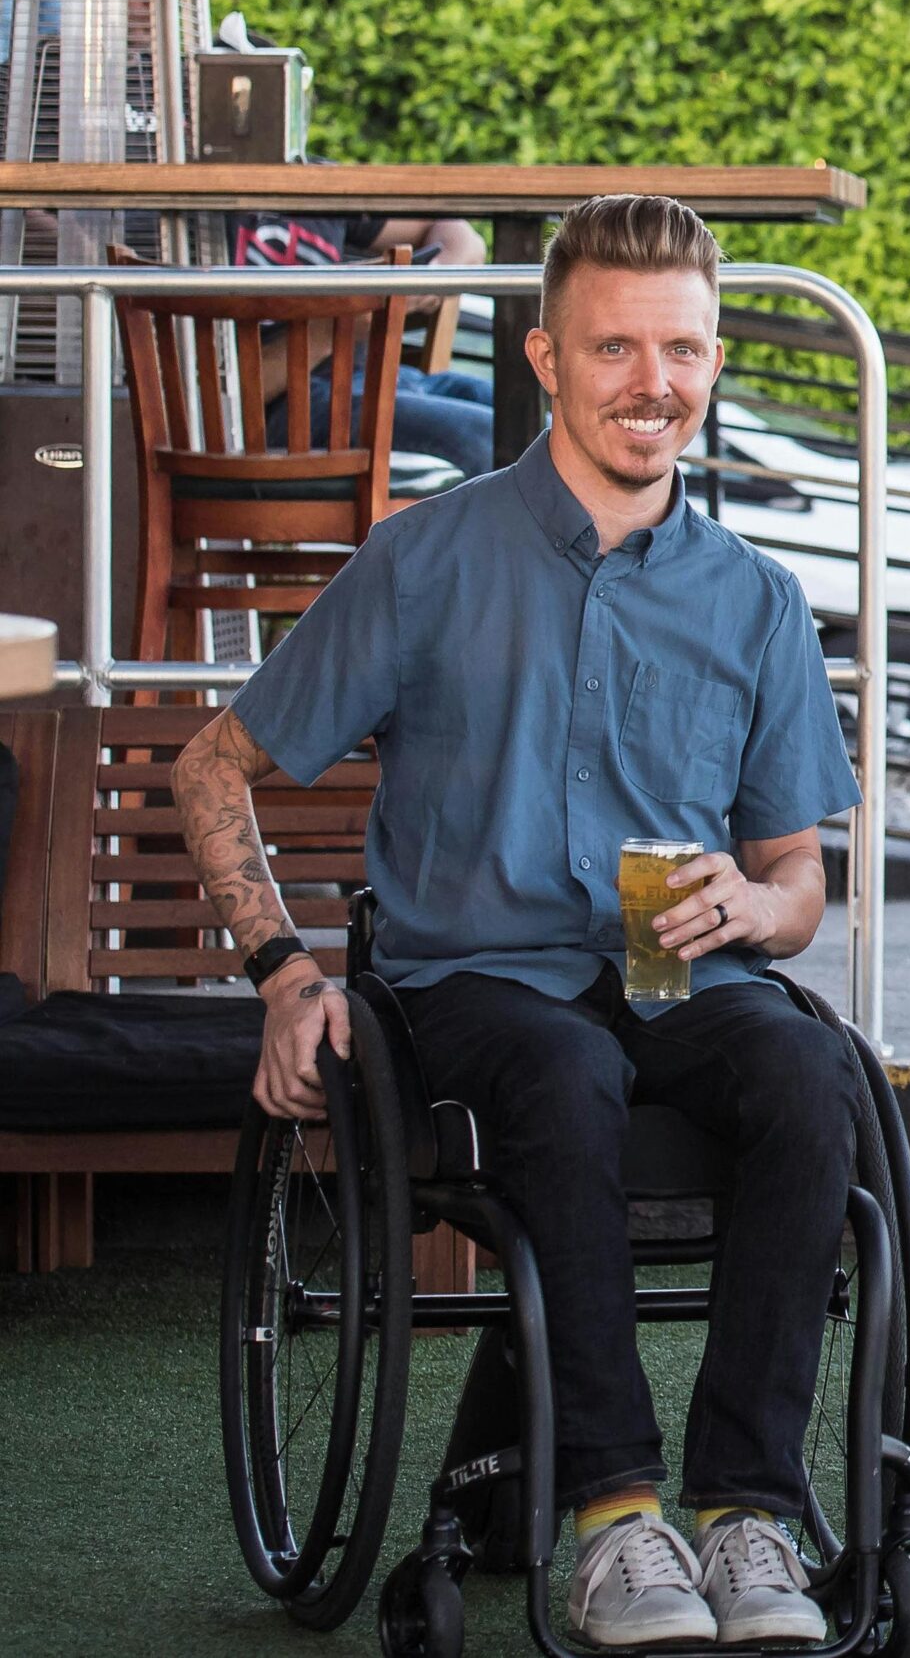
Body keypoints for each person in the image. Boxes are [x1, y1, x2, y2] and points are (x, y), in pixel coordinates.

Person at [173, 194, 857, 1648]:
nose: (650, 383)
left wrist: (766, 898)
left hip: (673, 973)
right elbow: (212, 764)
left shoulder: (757, 599)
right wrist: (285, 973)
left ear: (716, 360)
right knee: (562, 1068)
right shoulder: (429, 557)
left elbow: (802, 879)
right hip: (470, 985)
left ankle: (750, 1517)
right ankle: (616, 1520)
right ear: (547, 357)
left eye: (679, 349)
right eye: (615, 347)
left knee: (810, 1072)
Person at [213, 13, 496, 477]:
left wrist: (433, 275)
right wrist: (345, 320)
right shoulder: (193, 204)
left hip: (377, 380)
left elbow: (458, 231)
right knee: (491, 440)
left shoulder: (315, 184)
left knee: (546, 423)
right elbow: (218, 395)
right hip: (290, 407)